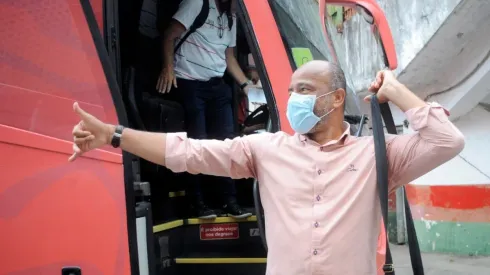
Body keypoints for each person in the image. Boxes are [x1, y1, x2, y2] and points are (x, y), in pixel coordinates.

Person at [69, 61, 465, 275]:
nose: (293, 98)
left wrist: (395, 91)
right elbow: (186, 151)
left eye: (305, 90)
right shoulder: (265, 150)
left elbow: (448, 141)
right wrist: (115, 135)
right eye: (291, 90)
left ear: (337, 98)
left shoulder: (377, 154)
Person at [144, 0, 254, 219]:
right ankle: (197, 202)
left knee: (227, 143)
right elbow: (169, 35)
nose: (239, 8)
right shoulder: (198, 4)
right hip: (189, 82)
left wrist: (246, 85)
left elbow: (229, 57)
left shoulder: (230, 18)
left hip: (216, 84)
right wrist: (168, 68)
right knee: (196, 141)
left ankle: (229, 200)